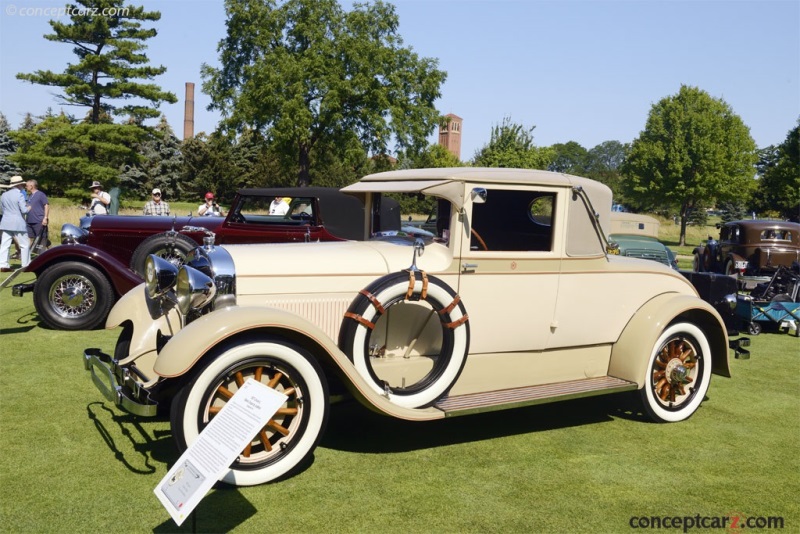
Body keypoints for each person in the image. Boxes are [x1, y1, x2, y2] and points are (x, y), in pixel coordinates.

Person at [0, 176, 32, 271]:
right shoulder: (20, 195)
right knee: (24, 244)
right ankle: (26, 265)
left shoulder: (4, 195)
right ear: (19, 185)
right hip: (18, 222)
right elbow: (24, 210)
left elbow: (3, 209)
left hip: (6, 222)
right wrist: (29, 208)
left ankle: (3, 265)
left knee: (5, 245)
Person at [25, 179, 49, 254]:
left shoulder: (41, 194)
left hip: (38, 220)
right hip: (29, 221)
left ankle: (45, 255)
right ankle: (26, 255)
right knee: (29, 238)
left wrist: (45, 218)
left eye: (27, 186)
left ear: (31, 186)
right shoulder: (30, 195)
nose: (26, 187)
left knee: (41, 239)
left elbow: (46, 205)